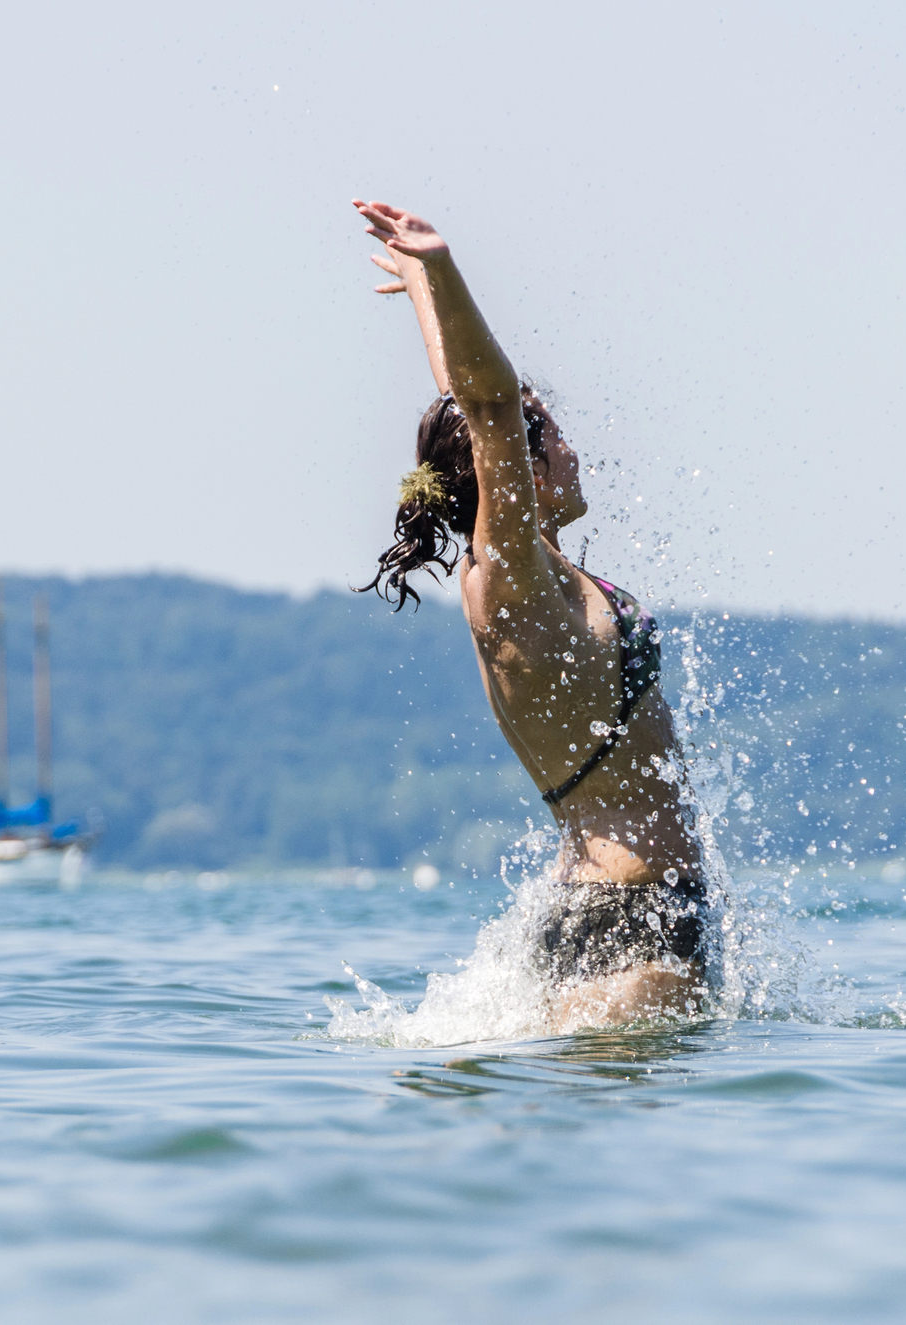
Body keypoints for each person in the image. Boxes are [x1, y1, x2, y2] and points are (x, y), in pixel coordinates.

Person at [353, 199, 708, 1030]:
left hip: (607, 910)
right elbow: (486, 409)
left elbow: (474, 400)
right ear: (511, 463)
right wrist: (441, 268)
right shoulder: (512, 578)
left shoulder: (520, 575)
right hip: (636, 924)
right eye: (549, 434)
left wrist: (420, 288)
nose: (572, 450)